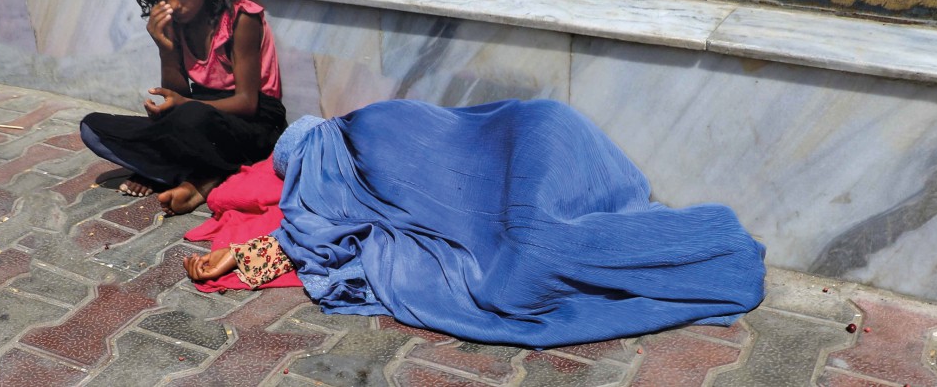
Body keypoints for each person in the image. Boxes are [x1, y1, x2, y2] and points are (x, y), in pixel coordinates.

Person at [181, 100, 767, 348]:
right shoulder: (360, 135)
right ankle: (709, 244)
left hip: (534, 151)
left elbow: (326, 233)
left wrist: (245, 256)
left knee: (519, 274)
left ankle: (712, 247)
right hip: (553, 129)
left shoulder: (357, 145)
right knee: (537, 254)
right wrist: (247, 255)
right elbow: (330, 228)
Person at [80, 0, 286, 215]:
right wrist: (166, 50)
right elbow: (176, 95)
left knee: (188, 118)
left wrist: (184, 105)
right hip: (198, 114)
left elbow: (247, 103)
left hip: (253, 122)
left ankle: (193, 176)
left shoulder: (241, 19)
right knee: (93, 127)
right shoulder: (176, 22)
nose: (173, 4)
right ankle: (201, 173)